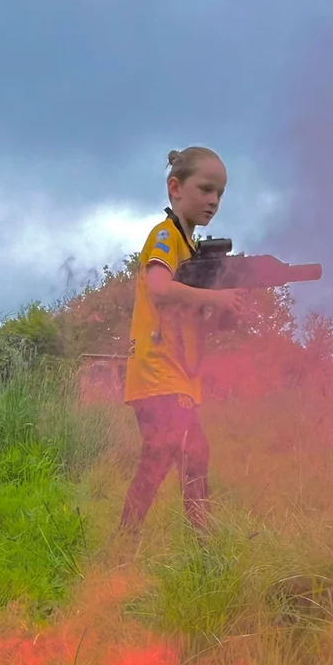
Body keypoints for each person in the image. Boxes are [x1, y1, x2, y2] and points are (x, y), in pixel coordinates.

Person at [119, 146, 246, 536]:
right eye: (206, 189)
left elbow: (183, 310)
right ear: (175, 188)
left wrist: (221, 309)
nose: (213, 200)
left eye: (220, 193)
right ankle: (201, 547)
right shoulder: (165, 237)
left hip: (174, 375)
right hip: (159, 373)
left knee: (166, 457)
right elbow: (159, 287)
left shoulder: (189, 248)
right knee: (187, 453)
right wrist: (215, 298)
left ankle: (129, 542)